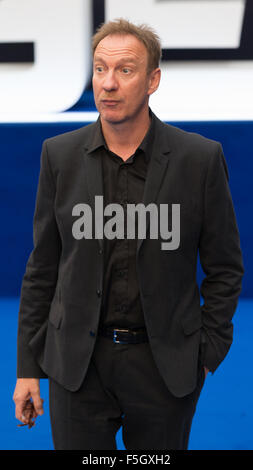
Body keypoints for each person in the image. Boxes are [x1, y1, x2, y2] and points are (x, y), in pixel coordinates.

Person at [13, 18, 244, 450]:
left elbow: (226, 267)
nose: (108, 84)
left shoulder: (199, 160)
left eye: (125, 70)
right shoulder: (59, 156)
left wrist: (205, 353)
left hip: (164, 367)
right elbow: (42, 268)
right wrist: (28, 368)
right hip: (77, 368)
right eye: (100, 69)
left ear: (153, 79)